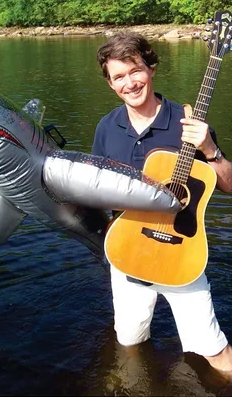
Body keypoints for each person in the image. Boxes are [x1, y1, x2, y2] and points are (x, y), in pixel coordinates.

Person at [91, 32, 232, 373]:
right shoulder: (106, 128)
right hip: (128, 254)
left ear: (151, 68)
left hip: (183, 255)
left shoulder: (188, 124)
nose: (130, 82)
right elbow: (93, 189)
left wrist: (210, 149)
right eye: (119, 76)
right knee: (129, 342)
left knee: (216, 353)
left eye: (135, 70)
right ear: (110, 84)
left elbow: (228, 184)